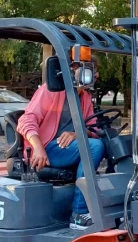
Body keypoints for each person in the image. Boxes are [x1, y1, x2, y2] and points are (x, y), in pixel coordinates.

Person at [17, 58, 105, 230]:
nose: (96, 75)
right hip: (48, 148)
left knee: (106, 144)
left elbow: (92, 128)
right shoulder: (51, 90)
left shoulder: (85, 97)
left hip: (68, 148)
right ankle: (79, 213)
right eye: (91, 70)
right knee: (94, 147)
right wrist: (38, 148)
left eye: (95, 71)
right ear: (74, 69)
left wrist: (77, 133)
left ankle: (101, 202)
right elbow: (26, 120)